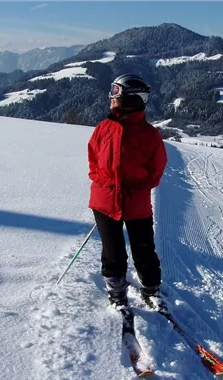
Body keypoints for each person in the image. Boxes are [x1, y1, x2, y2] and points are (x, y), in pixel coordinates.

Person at [87, 73, 168, 307]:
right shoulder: (103, 128)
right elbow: (93, 159)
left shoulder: (149, 135)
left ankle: (151, 289)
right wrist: (104, 183)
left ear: (131, 98)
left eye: (115, 92)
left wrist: (137, 187)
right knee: (112, 252)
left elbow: (156, 168)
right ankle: (116, 290)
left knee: (144, 250)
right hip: (105, 200)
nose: (110, 97)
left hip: (136, 202)